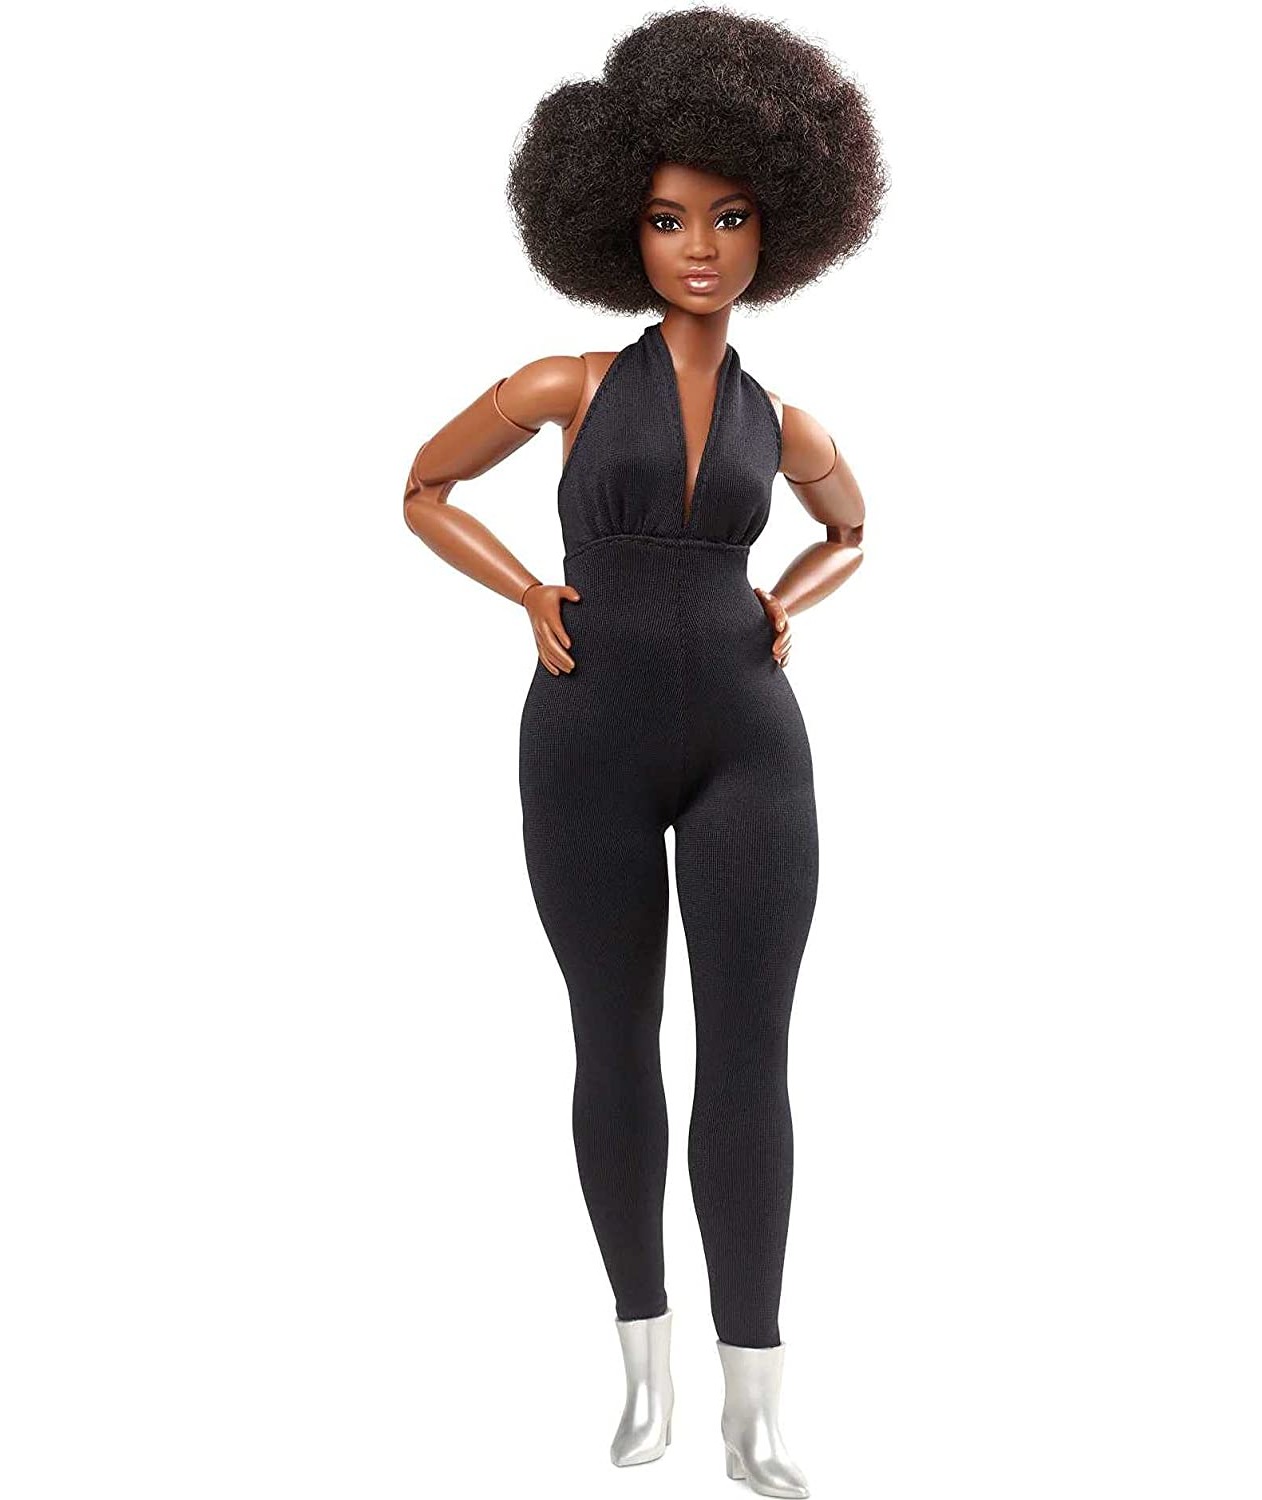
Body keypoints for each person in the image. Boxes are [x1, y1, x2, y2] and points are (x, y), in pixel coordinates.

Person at [403, 10, 886, 1495]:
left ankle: (757, 1399)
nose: (700, 248)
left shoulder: (781, 419)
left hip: (753, 742)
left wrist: (791, 599)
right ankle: (643, 1369)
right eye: (670, 217)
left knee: (750, 1053)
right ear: (620, 221)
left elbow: (855, 527)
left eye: (730, 216)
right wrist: (526, 589)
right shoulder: (563, 385)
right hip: (586, 735)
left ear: (779, 224)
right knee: (613, 1038)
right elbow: (423, 487)